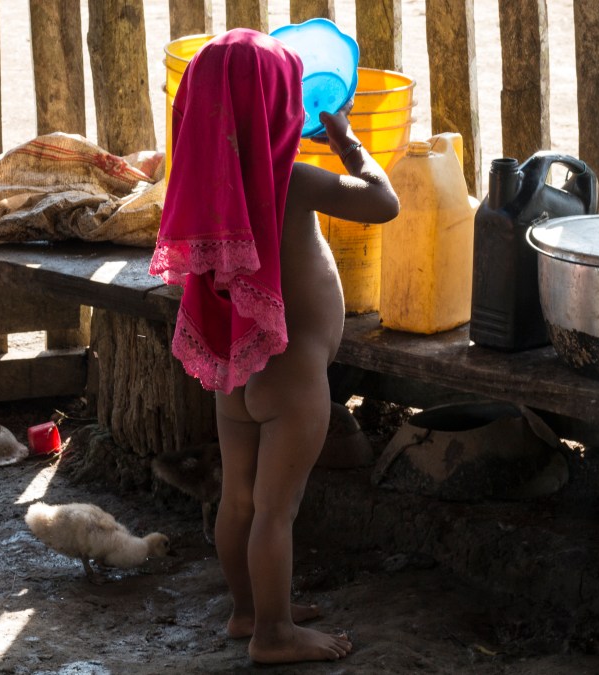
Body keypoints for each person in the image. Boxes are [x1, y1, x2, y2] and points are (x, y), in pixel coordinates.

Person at [150, 28, 399, 664]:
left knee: (238, 500)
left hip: (236, 367)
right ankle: (274, 634)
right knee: (275, 512)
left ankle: (247, 611)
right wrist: (348, 143)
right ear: (282, 112)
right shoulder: (293, 179)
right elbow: (384, 203)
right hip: (293, 375)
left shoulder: (204, 187)